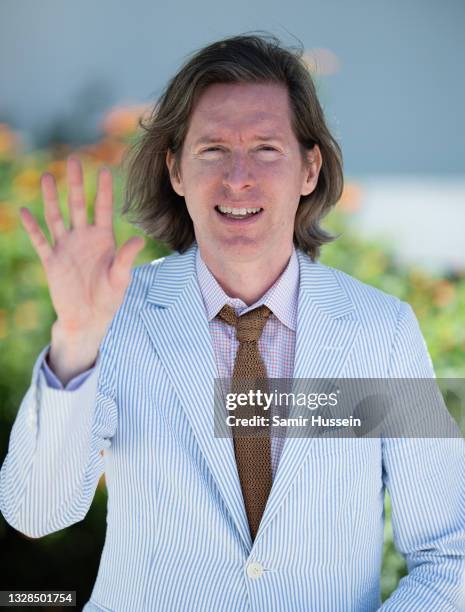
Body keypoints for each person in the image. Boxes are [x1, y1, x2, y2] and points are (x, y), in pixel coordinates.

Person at [1, 33, 464, 611]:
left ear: (309, 168)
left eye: (267, 148)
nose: (238, 176)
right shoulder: (112, 318)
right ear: (174, 170)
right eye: (212, 148)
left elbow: (451, 553)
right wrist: (75, 340)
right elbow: (37, 511)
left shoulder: (383, 331)